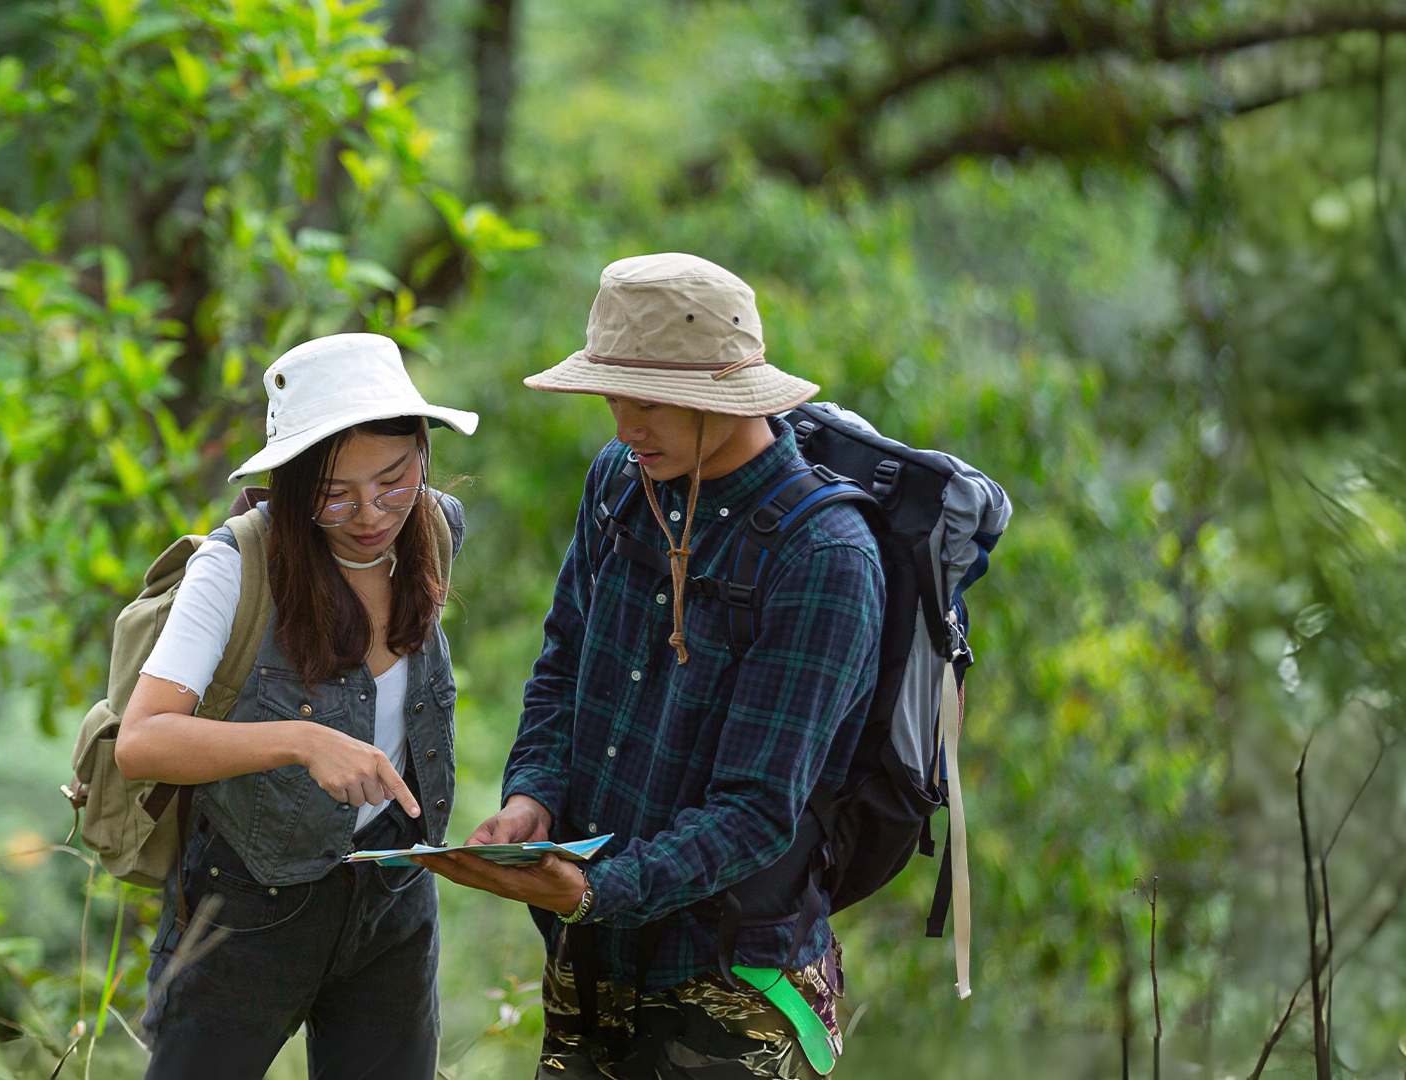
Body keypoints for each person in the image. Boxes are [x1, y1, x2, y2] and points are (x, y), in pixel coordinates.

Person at [420, 254, 885, 1078]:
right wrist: (533, 796)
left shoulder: (824, 557)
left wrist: (598, 890)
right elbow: (563, 664)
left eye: (650, 402)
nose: (625, 426)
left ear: (726, 393)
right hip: (592, 957)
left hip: (730, 981)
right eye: (613, 397)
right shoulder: (619, 482)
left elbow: (755, 811)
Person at [117, 332, 475, 1078]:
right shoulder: (235, 568)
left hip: (393, 889)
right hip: (250, 904)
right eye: (334, 493)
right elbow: (143, 740)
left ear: (423, 454)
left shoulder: (435, 527)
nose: (371, 514)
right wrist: (303, 741)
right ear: (289, 483)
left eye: (394, 481)